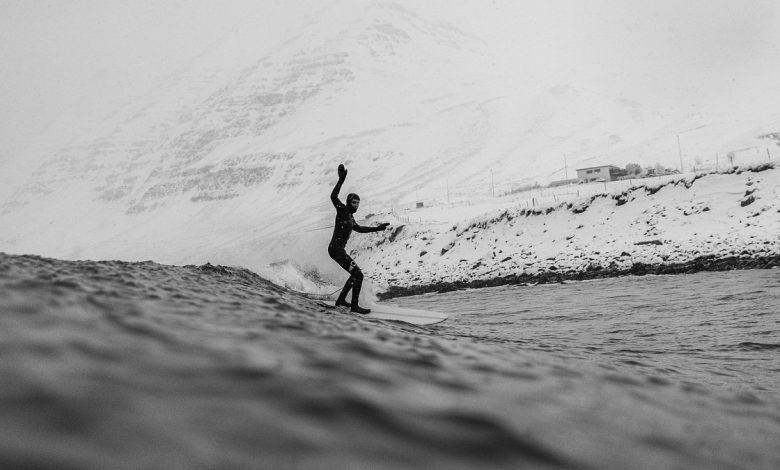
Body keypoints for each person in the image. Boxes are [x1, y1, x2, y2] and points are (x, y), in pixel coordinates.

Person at [328, 164, 390, 314]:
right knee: (359, 275)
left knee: (355, 275)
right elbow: (333, 197)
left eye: (358, 203)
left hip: (337, 250)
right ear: (349, 202)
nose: (356, 205)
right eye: (354, 202)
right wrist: (341, 180)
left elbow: (360, 229)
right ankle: (354, 307)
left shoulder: (351, 218)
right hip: (335, 250)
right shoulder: (342, 210)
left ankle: (341, 300)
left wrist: (378, 228)